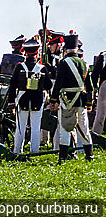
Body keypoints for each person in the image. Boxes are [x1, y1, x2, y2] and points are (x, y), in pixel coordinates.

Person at [49, 32, 93, 163]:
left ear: (65, 50)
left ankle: (62, 157)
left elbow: (58, 84)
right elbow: (90, 86)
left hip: (67, 100)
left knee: (65, 128)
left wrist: (53, 100)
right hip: (82, 100)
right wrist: (89, 103)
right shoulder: (84, 63)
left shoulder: (63, 63)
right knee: (84, 128)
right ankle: (89, 155)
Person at [7, 38, 52, 155]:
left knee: (20, 127)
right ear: (37, 53)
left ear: (25, 53)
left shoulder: (19, 67)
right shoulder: (42, 68)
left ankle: (17, 150)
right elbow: (49, 85)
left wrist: (11, 102)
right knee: (36, 127)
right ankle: (34, 151)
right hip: (37, 99)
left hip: (22, 99)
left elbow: (12, 85)